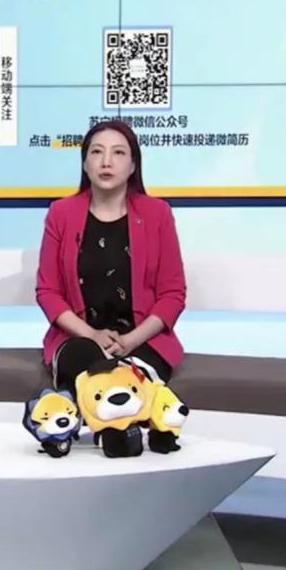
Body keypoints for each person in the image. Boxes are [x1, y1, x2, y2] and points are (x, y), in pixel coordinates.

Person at [35, 120, 186, 394]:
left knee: (125, 382)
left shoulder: (157, 214)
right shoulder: (61, 214)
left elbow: (172, 294)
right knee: (89, 369)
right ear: (84, 163)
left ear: (133, 165)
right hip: (79, 339)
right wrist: (92, 335)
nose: (106, 161)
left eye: (118, 152)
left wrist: (130, 340)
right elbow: (48, 292)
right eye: (96, 152)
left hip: (143, 341)